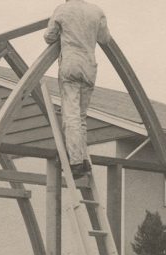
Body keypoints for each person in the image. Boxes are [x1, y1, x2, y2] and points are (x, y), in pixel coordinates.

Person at [44, 0, 111, 179]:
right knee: (81, 116)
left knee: (71, 115)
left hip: (71, 63)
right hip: (89, 66)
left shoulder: (62, 9)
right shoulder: (96, 11)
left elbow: (49, 37)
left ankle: (75, 162)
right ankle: (82, 158)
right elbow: (105, 39)